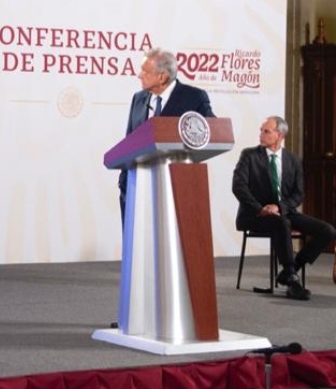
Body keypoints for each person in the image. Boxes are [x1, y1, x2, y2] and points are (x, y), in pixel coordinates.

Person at [232, 116, 335, 301]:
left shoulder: (293, 160)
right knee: (282, 223)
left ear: (279, 135)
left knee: (327, 230)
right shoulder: (249, 155)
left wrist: (279, 207)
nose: (261, 134)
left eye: (266, 131)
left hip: (284, 212)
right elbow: (238, 186)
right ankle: (293, 281)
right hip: (254, 215)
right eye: (261, 130)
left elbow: (298, 194)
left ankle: (291, 270)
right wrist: (260, 208)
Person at [118, 48, 215, 220]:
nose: (139, 75)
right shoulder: (138, 99)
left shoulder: (194, 97)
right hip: (137, 188)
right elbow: (129, 141)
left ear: (162, 77)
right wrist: (125, 181)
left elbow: (212, 132)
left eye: (145, 71)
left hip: (176, 189)